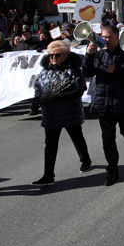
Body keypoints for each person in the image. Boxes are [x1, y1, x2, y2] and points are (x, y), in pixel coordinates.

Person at [83, 25, 124, 186]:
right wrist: (89, 56)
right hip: (103, 103)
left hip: (122, 101)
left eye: (108, 37)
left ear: (117, 38)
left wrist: (118, 71)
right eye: (103, 36)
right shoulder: (98, 53)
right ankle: (112, 170)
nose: (105, 39)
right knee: (108, 139)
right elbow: (87, 73)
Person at [31, 40, 91, 186]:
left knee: (76, 137)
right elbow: (38, 86)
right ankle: (48, 175)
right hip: (50, 113)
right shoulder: (45, 70)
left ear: (65, 54)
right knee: (50, 144)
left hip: (69, 111)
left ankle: (85, 159)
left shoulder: (74, 69)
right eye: (51, 55)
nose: (54, 58)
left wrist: (59, 97)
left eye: (57, 55)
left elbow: (79, 90)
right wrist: (36, 100)